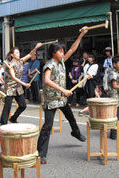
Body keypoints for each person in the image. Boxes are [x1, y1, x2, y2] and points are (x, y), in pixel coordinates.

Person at [37, 27, 88, 164]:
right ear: (54, 53)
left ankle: (75, 132)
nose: (63, 53)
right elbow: (47, 81)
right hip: (51, 100)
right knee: (47, 126)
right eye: (60, 51)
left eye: (62, 51)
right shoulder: (49, 65)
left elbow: (72, 49)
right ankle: (40, 154)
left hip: (61, 99)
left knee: (71, 117)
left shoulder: (61, 62)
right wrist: (63, 90)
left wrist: (81, 34)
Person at [0, 43, 43, 125]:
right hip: (10, 87)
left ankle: (13, 118)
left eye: (18, 52)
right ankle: (3, 123)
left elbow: (30, 54)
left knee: (23, 105)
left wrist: (36, 47)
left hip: (18, 87)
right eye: (16, 52)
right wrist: (24, 84)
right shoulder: (10, 64)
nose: (18, 54)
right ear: (12, 55)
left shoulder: (21, 61)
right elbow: (13, 77)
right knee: (7, 106)